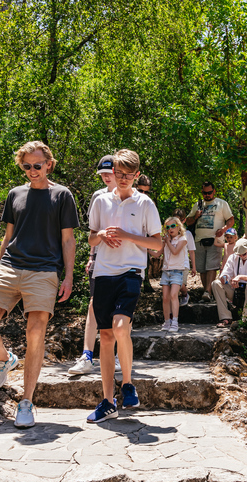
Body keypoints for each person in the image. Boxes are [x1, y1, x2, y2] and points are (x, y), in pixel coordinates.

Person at [0, 141, 79, 429]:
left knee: (35, 332)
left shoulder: (62, 195)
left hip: (44, 271)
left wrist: (68, 276)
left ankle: (27, 402)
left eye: (37, 165)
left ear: (49, 164)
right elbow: (8, 235)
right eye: (27, 166)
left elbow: (68, 239)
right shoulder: (15, 194)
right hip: (10, 266)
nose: (32, 171)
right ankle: (5, 359)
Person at [87, 149, 162, 423]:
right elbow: (91, 239)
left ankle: (128, 383)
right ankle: (108, 401)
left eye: (129, 175)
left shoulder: (145, 204)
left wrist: (128, 235)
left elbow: (157, 243)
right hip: (103, 273)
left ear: (137, 175)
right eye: (119, 174)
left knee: (120, 328)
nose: (123, 179)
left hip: (131, 272)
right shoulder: (101, 201)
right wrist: (102, 235)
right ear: (113, 172)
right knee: (105, 337)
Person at [69, 156, 120, 375]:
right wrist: (91, 256)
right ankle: (87, 355)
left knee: (121, 309)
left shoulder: (133, 196)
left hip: (125, 261)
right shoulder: (98, 196)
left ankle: (117, 354)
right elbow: (93, 230)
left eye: (109, 173)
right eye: (102, 175)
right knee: (93, 304)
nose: (106, 178)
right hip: (101, 257)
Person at [186, 181, 234, 302]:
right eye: (204, 193)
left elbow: (231, 220)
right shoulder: (197, 204)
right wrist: (195, 216)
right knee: (202, 269)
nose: (207, 195)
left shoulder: (222, 203)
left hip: (215, 241)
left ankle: (207, 291)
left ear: (214, 192)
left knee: (211, 267)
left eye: (209, 193)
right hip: (199, 240)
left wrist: (223, 229)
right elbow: (187, 221)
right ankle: (207, 292)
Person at [211, 238, 247, 328]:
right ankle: (225, 317)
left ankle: (246, 319)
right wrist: (225, 278)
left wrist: (240, 277)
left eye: (244, 254)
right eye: (239, 254)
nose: (241, 256)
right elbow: (225, 273)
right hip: (237, 291)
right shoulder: (233, 257)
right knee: (216, 284)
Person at [150, 217, 188, 332]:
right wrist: (146, 249)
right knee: (165, 297)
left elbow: (175, 252)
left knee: (173, 295)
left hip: (177, 271)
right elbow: (157, 254)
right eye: (167, 227)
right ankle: (167, 322)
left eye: (172, 226)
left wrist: (167, 242)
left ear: (178, 227)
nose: (170, 229)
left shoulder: (182, 239)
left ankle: (175, 322)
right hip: (166, 272)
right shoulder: (166, 240)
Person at [173, 208, 196, 306]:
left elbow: (191, 251)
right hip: (172, 264)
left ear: (184, 220)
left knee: (180, 284)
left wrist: (194, 267)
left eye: (179, 221)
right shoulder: (170, 234)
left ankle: (185, 294)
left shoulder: (188, 234)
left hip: (184, 264)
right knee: (173, 284)